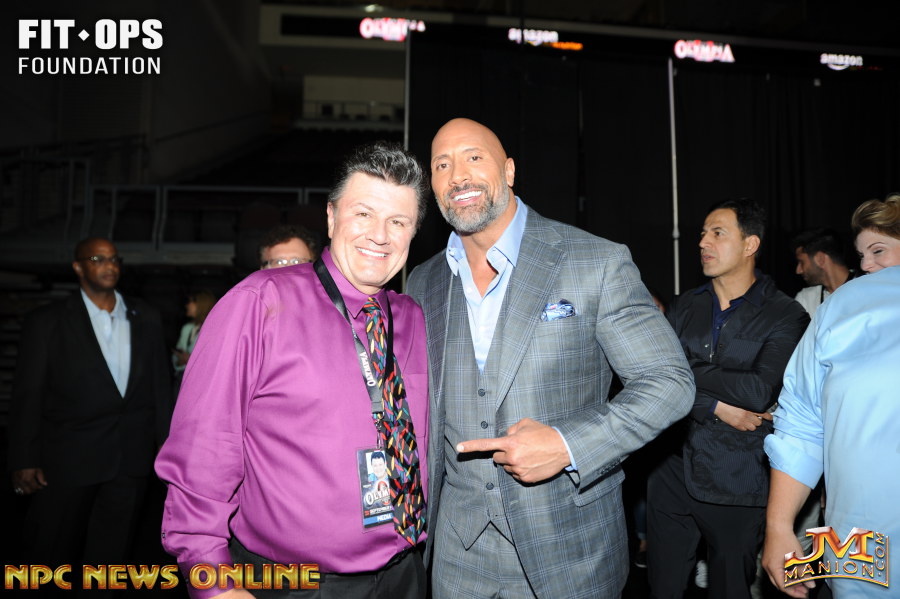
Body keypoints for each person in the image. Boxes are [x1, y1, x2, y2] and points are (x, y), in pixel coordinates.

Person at [406, 117, 695, 599]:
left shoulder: (594, 261)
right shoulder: (423, 281)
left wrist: (567, 445)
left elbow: (669, 382)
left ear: (509, 170)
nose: (458, 175)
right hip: (456, 560)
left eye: (474, 157)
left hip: (569, 554)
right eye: (442, 164)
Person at [155, 142, 430, 599]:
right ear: (331, 217)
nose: (380, 235)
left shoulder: (413, 319)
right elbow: (205, 447)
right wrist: (212, 581)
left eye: (398, 222)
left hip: (405, 576)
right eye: (363, 214)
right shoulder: (260, 303)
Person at [646, 199, 809, 599]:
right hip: (670, 468)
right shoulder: (684, 305)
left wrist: (685, 367)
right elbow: (653, 379)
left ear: (750, 244)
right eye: (703, 233)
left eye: (718, 233)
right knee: (662, 587)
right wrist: (713, 406)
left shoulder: (785, 314)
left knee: (730, 588)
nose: (703, 242)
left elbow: (758, 391)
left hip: (737, 477)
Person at [762, 194, 900, 599]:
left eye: (879, 251)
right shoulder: (842, 307)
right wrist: (778, 526)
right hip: (858, 533)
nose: (867, 265)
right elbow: (801, 419)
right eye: (862, 255)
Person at [8, 237, 171, 568]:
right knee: (48, 550)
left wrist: (167, 445)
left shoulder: (147, 316)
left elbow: (160, 387)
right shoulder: (48, 322)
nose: (109, 266)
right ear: (78, 267)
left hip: (130, 459)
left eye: (114, 259)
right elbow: (28, 394)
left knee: (111, 556)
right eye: (98, 259)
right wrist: (23, 458)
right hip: (68, 460)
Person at [790, 228, 854, 317]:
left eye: (801, 262)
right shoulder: (806, 298)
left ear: (820, 259)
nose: (798, 270)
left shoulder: (866, 289)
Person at [173, 290, 217, 374]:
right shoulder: (187, 328)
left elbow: (212, 361)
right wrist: (179, 361)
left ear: (201, 305)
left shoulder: (213, 331)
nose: (187, 305)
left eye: (190, 302)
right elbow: (175, 358)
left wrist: (189, 360)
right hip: (181, 377)